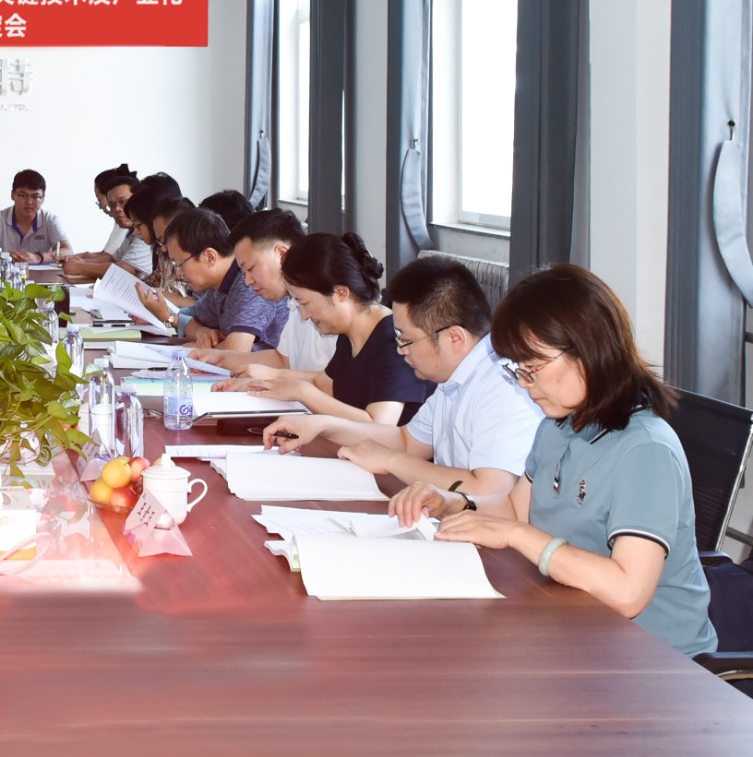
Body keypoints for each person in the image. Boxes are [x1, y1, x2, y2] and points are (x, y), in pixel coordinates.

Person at [390, 264, 716, 658]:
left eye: (532, 369)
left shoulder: (646, 451)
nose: (524, 385)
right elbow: (517, 510)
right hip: (572, 625)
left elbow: (627, 592)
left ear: (586, 350)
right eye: (518, 370)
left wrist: (518, 536)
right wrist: (452, 502)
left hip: (653, 659)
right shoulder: (557, 427)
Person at [262, 255, 542, 498]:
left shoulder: (504, 385)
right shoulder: (456, 378)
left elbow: (490, 491)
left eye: (406, 340)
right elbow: (407, 441)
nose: (400, 350)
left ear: (455, 338)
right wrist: (322, 425)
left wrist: (391, 461)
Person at [222, 233, 432, 425]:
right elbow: (323, 383)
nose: (304, 315)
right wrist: (261, 384)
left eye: (304, 303)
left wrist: (301, 392)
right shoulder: (349, 335)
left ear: (340, 292)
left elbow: (379, 425)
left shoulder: (392, 341)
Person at [189, 208, 336, 375]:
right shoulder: (294, 303)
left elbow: (335, 383)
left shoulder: (329, 300)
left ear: (282, 254)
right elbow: (282, 360)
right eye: (244, 273)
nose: (247, 281)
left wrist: (274, 377)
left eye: (251, 269)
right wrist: (218, 358)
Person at [149, 207, 288, 351]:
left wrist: (205, 350)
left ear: (210, 256)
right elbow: (192, 325)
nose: (178, 272)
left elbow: (236, 351)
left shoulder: (250, 283)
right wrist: (202, 333)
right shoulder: (218, 288)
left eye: (180, 264)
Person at [63, 168, 153, 279]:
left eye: (123, 202)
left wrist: (79, 266)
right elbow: (113, 259)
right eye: (112, 205)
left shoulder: (146, 231)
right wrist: (81, 261)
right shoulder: (132, 231)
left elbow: (125, 270)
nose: (117, 209)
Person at [0, 169, 72, 263]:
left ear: (43, 198)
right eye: (23, 195)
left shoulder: (50, 220)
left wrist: (39, 258)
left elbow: (68, 251)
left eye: (35, 196)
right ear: (12, 195)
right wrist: (5, 256)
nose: (29, 202)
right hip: (6, 271)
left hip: (42, 272)